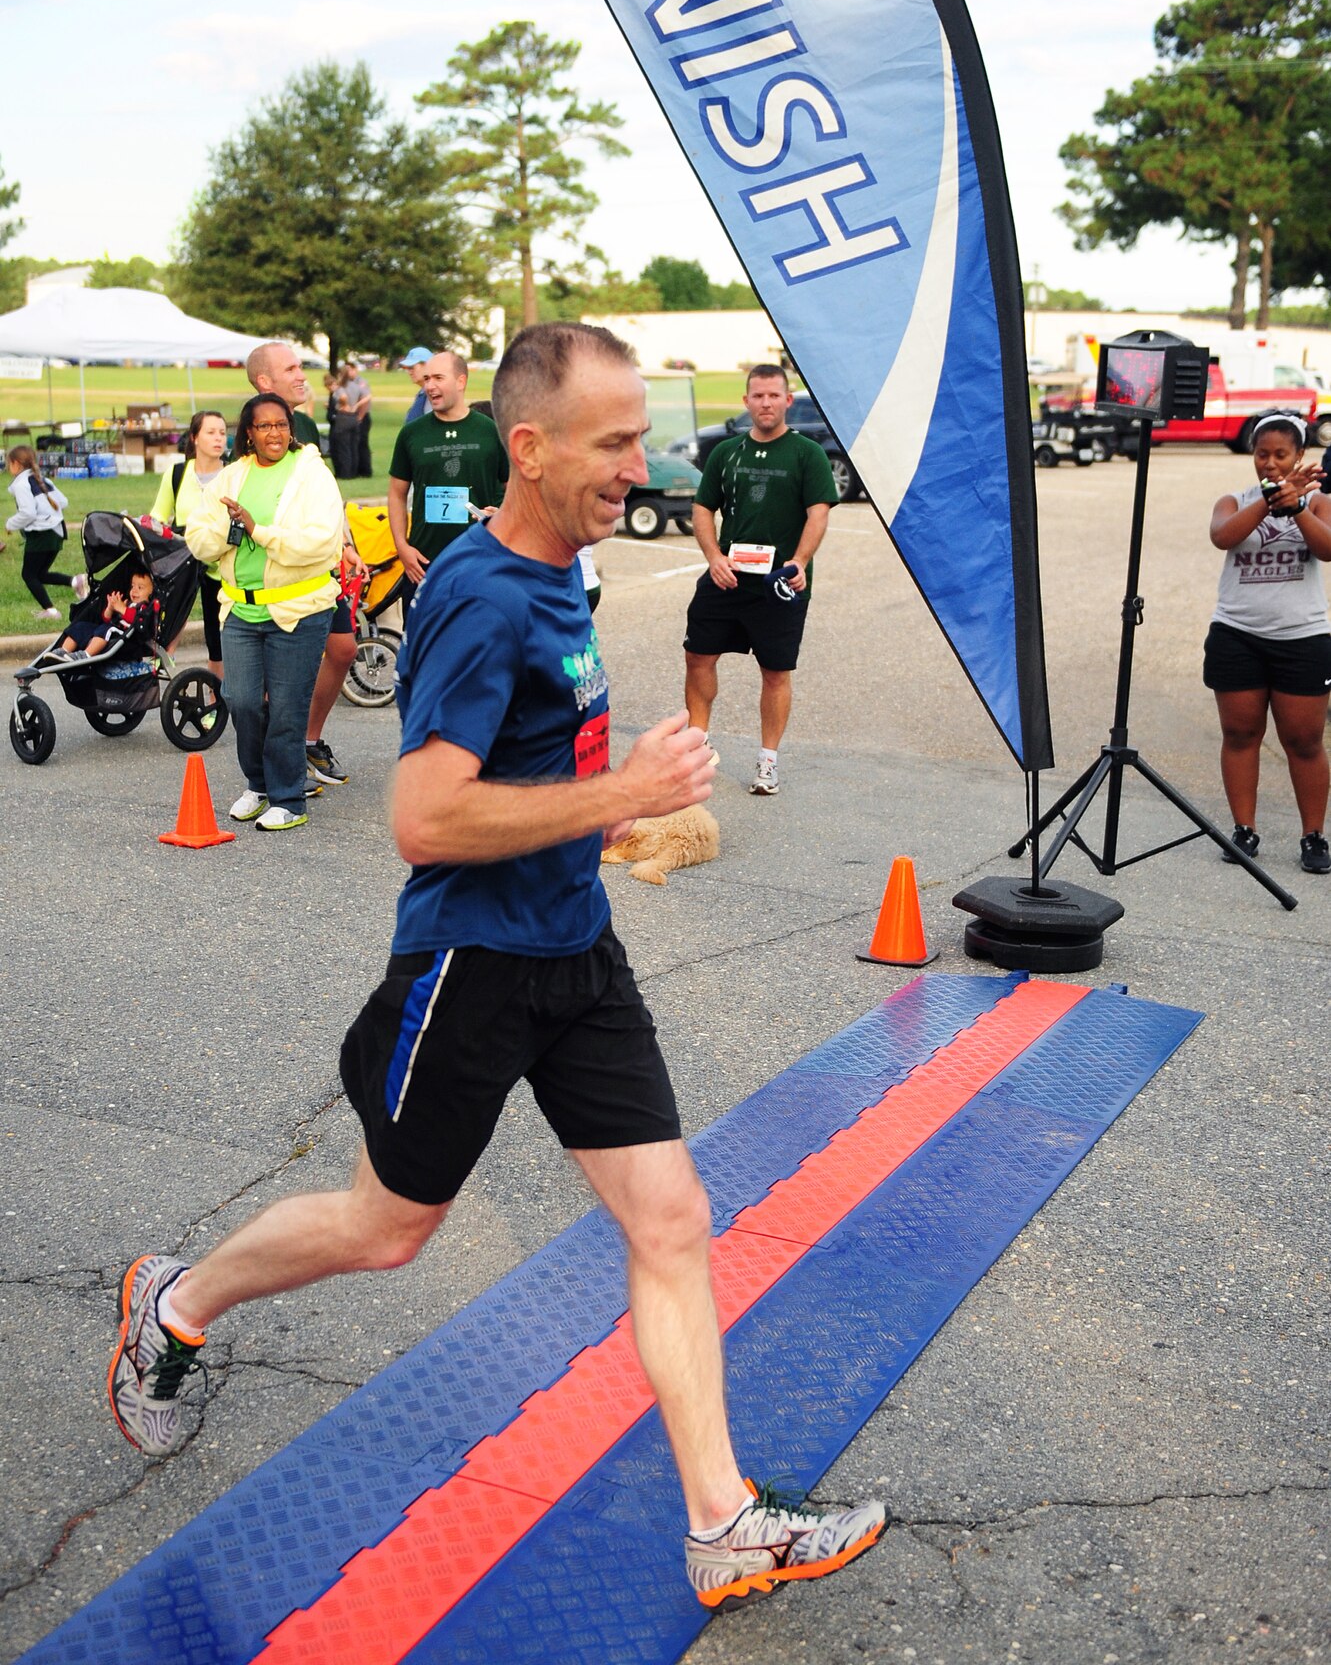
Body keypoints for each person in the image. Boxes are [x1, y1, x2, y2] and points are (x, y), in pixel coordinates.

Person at [106, 321, 885, 1611]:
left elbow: (531, 769)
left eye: (641, 437)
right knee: (385, 1229)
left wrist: (610, 801)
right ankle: (176, 1299)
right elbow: (423, 816)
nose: (641, 467)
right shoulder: (477, 593)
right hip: (474, 965)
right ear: (528, 448)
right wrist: (618, 787)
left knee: (672, 1219)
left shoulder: (557, 576)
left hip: (575, 951)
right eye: (615, 441)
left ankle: (721, 1521)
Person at [184, 393, 343, 831]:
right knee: (241, 700)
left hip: (300, 609)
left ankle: (289, 799)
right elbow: (198, 537)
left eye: (281, 424)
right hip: (241, 609)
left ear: (290, 428)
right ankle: (258, 785)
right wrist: (231, 535)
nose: (274, 433)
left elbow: (321, 541)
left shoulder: (313, 475)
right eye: (264, 426)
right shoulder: (231, 477)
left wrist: (260, 531)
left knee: (288, 709)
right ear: (249, 434)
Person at [682, 364, 837, 796]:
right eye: (758, 396)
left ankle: (767, 762)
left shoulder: (807, 453)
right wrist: (713, 557)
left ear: (788, 401)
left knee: (775, 672)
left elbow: (818, 512)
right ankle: (698, 745)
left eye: (774, 395)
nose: (765, 403)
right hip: (728, 577)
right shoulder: (726, 452)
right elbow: (701, 508)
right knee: (698, 656)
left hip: (778, 582)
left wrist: (800, 561)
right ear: (746, 401)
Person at [1206, 410, 1331, 874]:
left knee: (1304, 741)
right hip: (1237, 634)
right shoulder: (1232, 500)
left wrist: (1297, 505)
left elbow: (1327, 548)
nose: (1271, 463)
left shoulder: (1320, 501)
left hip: (1301, 637)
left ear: (1300, 455)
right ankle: (1244, 830)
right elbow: (1224, 536)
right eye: (1263, 454)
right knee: (1240, 735)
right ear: (1252, 456)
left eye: (1282, 455)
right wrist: (1271, 498)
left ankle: (1314, 836)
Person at [246, 341, 363, 788]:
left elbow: (324, 497)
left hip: (317, 564)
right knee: (274, 674)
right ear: (265, 382)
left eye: (300, 366)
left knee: (343, 648)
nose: (302, 374)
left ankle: (306, 744)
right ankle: (277, 764)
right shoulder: (255, 429)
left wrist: (345, 543)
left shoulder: (307, 426)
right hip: (274, 570)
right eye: (291, 368)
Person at [387, 349, 507, 606]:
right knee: (422, 642)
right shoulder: (412, 433)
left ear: (461, 381)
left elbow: (516, 489)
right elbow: (397, 493)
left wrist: (502, 513)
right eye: (427, 379)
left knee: (476, 640)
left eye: (438, 378)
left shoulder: (489, 431)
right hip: (423, 563)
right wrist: (402, 547)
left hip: (479, 558)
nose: (430, 386)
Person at [151, 410, 228, 678]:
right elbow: (158, 517)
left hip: (221, 567)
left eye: (222, 432)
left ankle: (215, 697)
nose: (218, 438)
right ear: (195, 438)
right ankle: (162, 658)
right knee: (168, 612)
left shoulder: (233, 474)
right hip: (184, 562)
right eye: (211, 432)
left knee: (215, 639)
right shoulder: (177, 474)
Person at [4, 446, 76, 619]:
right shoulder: (41, 479)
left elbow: (28, 513)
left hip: (41, 534)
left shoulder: (22, 484)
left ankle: (51, 611)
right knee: (40, 574)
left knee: (28, 575)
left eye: (8, 464)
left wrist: (10, 524)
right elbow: (63, 502)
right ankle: (74, 581)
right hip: (57, 532)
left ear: (15, 464)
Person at [54, 566, 156, 661]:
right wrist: (110, 608)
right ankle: (64, 651)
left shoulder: (145, 608)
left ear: (151, 593)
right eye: (132, 586)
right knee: (81, 626)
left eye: (140, 587)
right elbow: (106, 619)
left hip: (127, 638)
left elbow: (139, 621)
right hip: (107, 633)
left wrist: (122, 609)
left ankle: (86, 654)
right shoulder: (127, 603)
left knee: (107, 629)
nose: (134, 591)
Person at [340, 357, 373, 477]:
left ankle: (365, 470)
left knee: (362, 443)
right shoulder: (348, 383)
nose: (348, 373)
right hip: (352, 417)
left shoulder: (361, 382)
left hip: (362, 416)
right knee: (355, 443)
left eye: (350, 370)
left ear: (355, 370)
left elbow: (365, 401)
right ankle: (357, 469)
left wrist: (360, 417)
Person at [400, 346, 432, 426]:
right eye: (407, 368)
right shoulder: (421, 394)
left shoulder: (434, 394)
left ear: (427, 365)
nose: (409, 372)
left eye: (411, 367)